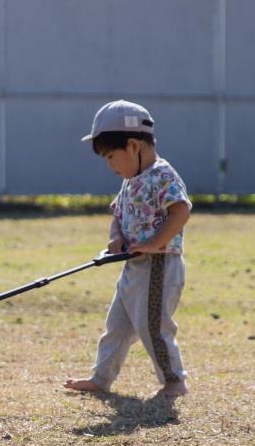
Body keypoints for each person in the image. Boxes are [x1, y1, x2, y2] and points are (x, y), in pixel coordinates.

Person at [64, 100, 192, 400]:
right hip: (132, 267)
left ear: (134, 145)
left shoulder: (162, 175)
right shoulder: (131, 180)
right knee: (117, 327)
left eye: (111, 157)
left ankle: (174, 381)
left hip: (159, 266)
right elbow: (118, 215)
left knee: (153, 326)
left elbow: (181, 211)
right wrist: (116, 237)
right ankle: (101, 378)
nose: (110, 165)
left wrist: (153, 243)